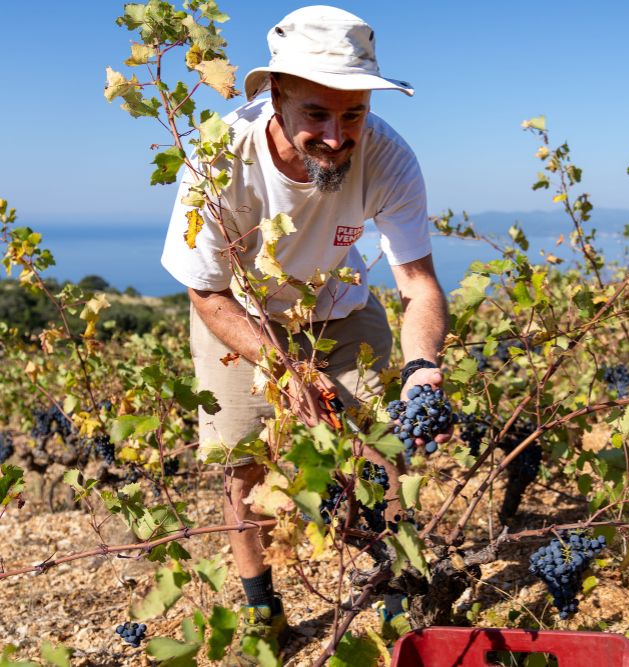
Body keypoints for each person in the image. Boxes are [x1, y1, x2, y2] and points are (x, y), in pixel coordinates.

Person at [160, 6, 449, 662]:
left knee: (382, 455)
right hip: (239, 313)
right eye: (317, 113)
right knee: (244, 473)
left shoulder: (389, 158)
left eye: (353, 114)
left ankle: (395, 599)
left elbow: (420, 284)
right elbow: (205, 291)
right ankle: (263, 609)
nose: (336, 135)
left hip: (341, 307)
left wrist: (422, 367)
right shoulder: (217, 155)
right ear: (277, 96)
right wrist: (284, 368)